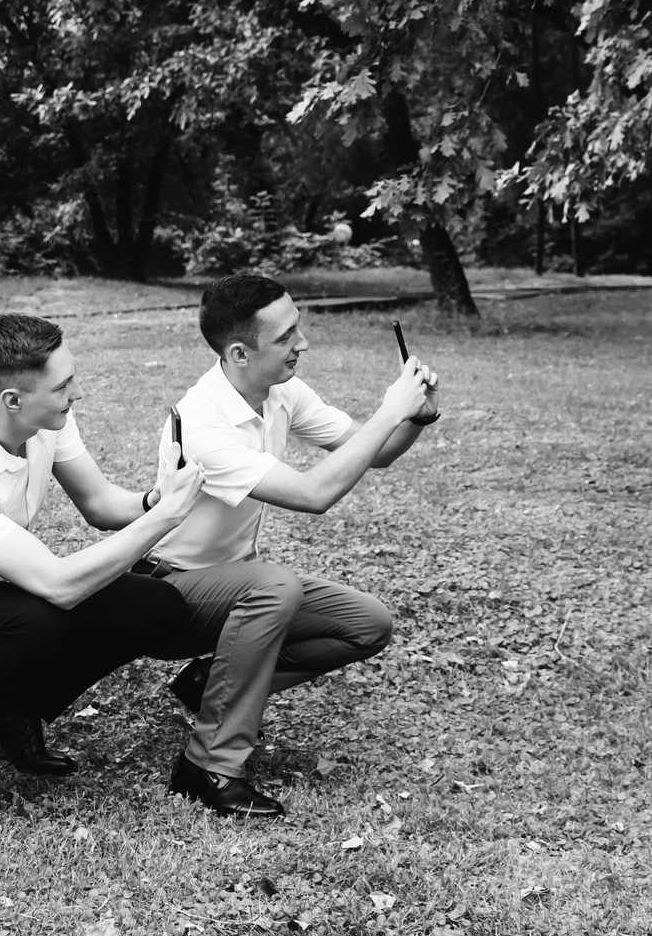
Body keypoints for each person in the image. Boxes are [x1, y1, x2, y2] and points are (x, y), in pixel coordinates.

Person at [0, 314, 204, 827]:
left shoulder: (45, 420)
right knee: (36, 619)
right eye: (64, 385)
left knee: (155, 605)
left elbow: (97, 503)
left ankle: (17, 709)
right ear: (12, 400)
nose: (77, 392)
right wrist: (166, 518)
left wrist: (152, 499)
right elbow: (57, 585)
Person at [146, 275, 438, 817]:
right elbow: (315, 493)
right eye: (286, 336)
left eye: (297, 328)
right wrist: (389, 408)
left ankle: (212, 680)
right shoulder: (205, 424)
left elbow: (376, 453)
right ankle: (207, 765)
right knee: (274, 585)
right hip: (171, 588)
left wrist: (416, 415)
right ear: (239, 352)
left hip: (239, 582)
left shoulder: (280, 393)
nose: (302, 343)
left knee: (368, 623)